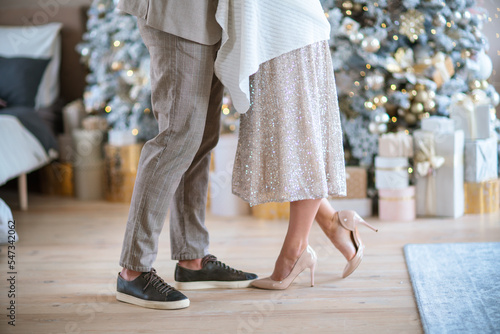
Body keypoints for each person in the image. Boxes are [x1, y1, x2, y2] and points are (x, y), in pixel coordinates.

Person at [214, 0, 378, 290]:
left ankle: (295, 251)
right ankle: (334, 224)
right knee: (291, 141)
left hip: (288, 31)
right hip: (280, 28)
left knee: (299, 139)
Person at [114, 0, 257, 310]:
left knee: (203, 137)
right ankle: (133, 269)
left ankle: (192, 257)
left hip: (212, 17)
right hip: (178, 12)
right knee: (177, 137)